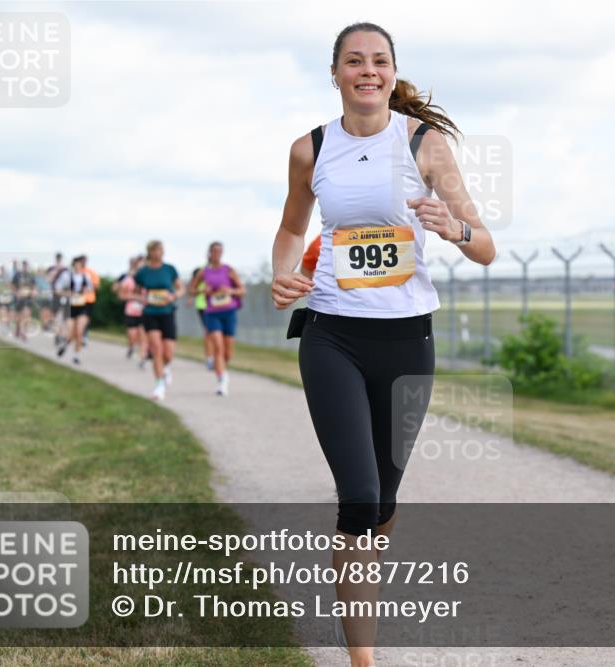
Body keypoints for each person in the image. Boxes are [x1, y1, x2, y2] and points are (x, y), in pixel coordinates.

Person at [270, 22, 494, 666]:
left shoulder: (425, 145)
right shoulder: (310, 149)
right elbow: (291, 228)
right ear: (336, 73)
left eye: (380, 61)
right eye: (355, 61)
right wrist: (286, 274)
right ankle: (363, 659)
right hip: (331, 335)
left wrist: (452, 226)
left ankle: (357, 558)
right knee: (360, 498)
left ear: (393, 73)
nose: (368, 70)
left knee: (383, 501)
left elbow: (485, 247)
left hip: (407, 342)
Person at [188, 242, 245, 396]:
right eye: (214, 251)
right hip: (212, 313)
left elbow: (241, 290)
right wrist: (201, 290)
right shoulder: (203, 272)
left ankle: (223, 371)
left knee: (228, 352)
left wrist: (231, 290)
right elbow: (191, 290)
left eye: (220, 251)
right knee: (218, 348)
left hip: (229, 312)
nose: (217, 254)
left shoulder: (228, 270)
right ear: (209, 253)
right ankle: (221, 380)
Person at [134, 240, 182, 401]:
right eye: (154, 250)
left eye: (160, 250)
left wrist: (173, 296)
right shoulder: (143, 272)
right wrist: (142, 298)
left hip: (167, 312)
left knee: (168, 353)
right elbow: (134, 292)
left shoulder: (169, 269)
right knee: (156, 349)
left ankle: (166, 367)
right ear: (150, 252)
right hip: (150, 312)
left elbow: (181, 288)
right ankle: (159, 385)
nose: (157, 253)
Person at [54, 256, 94, 364]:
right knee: (70, 332)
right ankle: (65, 345)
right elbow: (57, 290)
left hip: (82, 306)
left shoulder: (86, 276)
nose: (78, 266)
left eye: (80, 264)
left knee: (79, 331)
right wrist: (68, 294)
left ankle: (76, 355)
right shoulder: (66, 276)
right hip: (70, 306)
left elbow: (91, 289)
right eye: (76, 264)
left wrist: (85, 291)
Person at [116, 256, 148, 362]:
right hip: (131, 311)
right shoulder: (129, 280)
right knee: (132, 336)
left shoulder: (149, 280)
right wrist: (136, 297)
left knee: (143, 336)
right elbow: (121, 296)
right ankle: (131, 347)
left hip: (144, 312)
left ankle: (142, 358)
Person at [11, 259, 37, 342]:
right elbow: (12, 285)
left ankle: (24, 333)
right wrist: (16, 293)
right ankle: (18, 329)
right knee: (18, 316)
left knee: (27, 315)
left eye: (26, 265)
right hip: (19, 299)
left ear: (28, 266)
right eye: (24, 265)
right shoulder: (17, 275)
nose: (25, 267)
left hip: (28, 298)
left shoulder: (31, 276)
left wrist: (33, 291)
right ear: (22, 266)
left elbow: (34, 286)